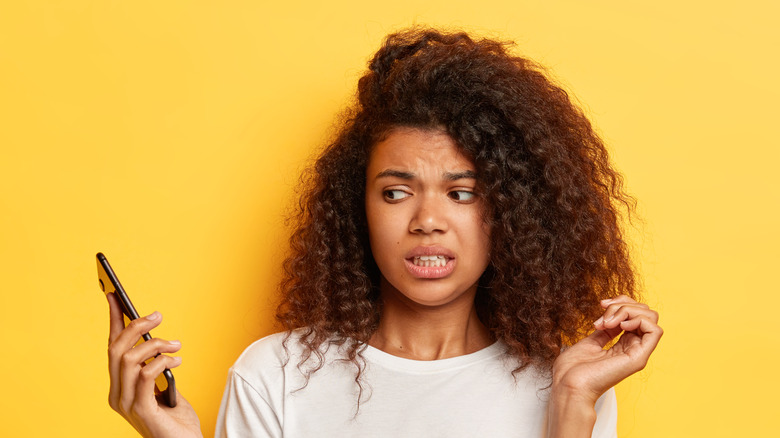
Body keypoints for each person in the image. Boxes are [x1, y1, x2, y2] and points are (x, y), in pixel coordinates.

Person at [105, 28, 662, 438]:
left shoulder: (567, 385)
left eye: (462, 193)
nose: (427, 219)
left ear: (513, 213)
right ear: (358, 208)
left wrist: (571, 402)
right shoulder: (274, 376)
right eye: (396, 192)